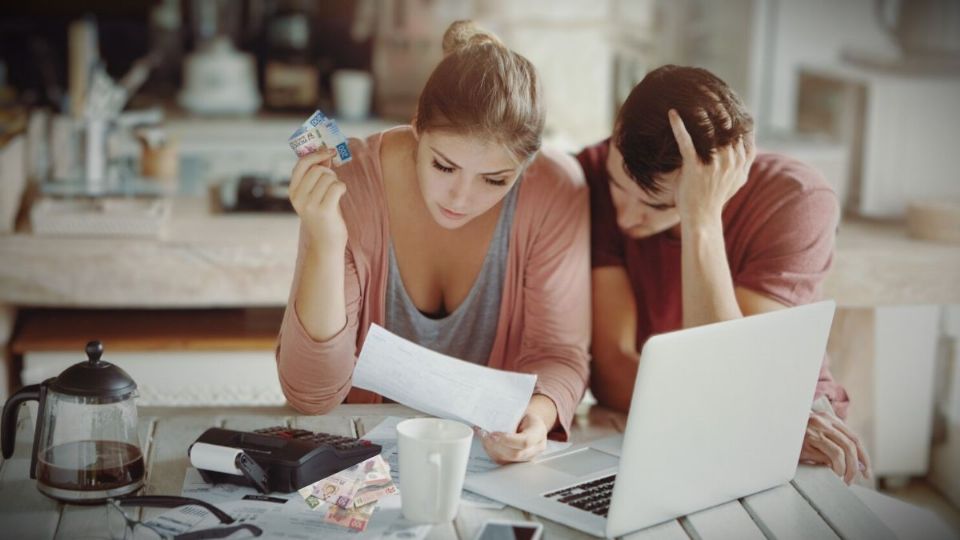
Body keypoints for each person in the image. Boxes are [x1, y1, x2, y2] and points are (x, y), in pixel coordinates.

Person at [276, 21, 590, 464]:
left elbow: (557, 354)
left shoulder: (555, 190)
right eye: (444, 167)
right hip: (363, 466)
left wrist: (536, 418)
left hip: (487, 464)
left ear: (526, 165)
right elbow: (312, 395)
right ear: (417, 124)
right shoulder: (348, 183)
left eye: (495, 179)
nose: (462, 199)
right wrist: (328, 242)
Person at [578, 65, 870, 484]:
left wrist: (701, 218)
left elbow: (740, 372)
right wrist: (741, 416)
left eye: (658, 206)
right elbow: (614, 371)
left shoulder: (795, 198)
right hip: (687, 419)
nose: (626, 217)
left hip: (797, 423)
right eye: (617, 186)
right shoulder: (588, 174)